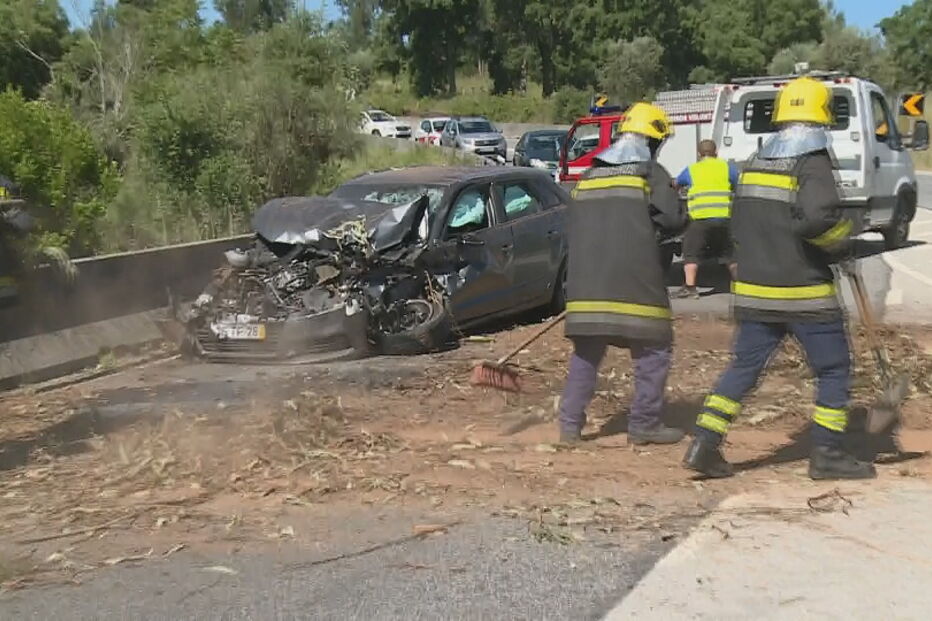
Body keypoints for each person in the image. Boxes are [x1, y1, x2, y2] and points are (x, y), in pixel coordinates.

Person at [683, 76, 875, 481]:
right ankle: (826, 453)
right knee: (834, 369)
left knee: (744, 368)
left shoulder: (755, 163)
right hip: (804, 292)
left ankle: (704, 441)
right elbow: (820, 220)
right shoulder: (813, 162)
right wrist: (843, 245)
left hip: (755, 293)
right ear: (821, 116)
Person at [558, 102, 688, 445]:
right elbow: (672, 220)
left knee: (587, 354)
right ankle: (644, 424)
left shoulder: (588, 176)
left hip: (586, 285)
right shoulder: (650, 172)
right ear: (653, 140)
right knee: (654, 349)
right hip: (635, 282)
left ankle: (569, 426)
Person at [673, 140, 738, 299]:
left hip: (700, 219)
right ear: (716, 153)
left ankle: (690, 288)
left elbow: (676, 184)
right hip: (724, 218)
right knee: (730, 254)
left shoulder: (692, 169)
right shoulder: (726, 167)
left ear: (699, 154)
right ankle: (740, 286)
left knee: (691, 253)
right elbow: (738, 184)